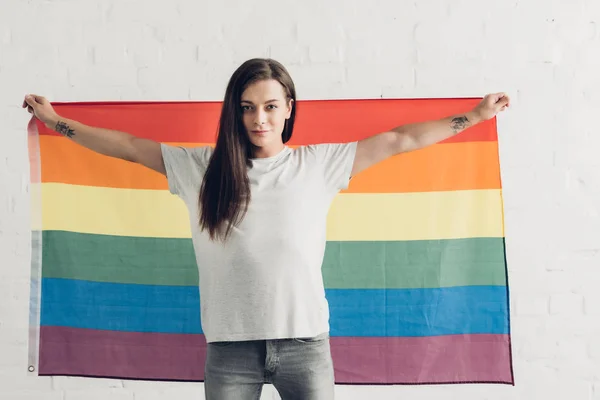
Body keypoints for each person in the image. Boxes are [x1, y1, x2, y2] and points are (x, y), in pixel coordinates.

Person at [23, 58, 510, 400]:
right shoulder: (201, 168)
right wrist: (55, 120)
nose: (260, 118)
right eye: (249, 107)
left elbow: (400, 140)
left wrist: (476, 116)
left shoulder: (320, 165)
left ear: (289, 108)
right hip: (230, 351)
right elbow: (127, 146)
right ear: (235, 111)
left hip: (305, 346)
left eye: (271, 106)